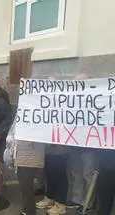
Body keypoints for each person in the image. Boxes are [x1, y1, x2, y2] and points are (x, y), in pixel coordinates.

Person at [66, 74, 98, 214]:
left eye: (80, 83)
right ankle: (77, 199)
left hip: (89, 145)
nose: (77, 86)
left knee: (88, 175)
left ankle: (88, 201)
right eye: (75, 83)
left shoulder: (96, 100)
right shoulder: (72, 100)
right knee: (76, 173)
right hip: (75, 144)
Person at [36, 145, 70, 215]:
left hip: (61, 150)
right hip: (49, 150)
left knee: (60, 176)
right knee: (50, 175)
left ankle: (60, 205)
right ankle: (50, 198)